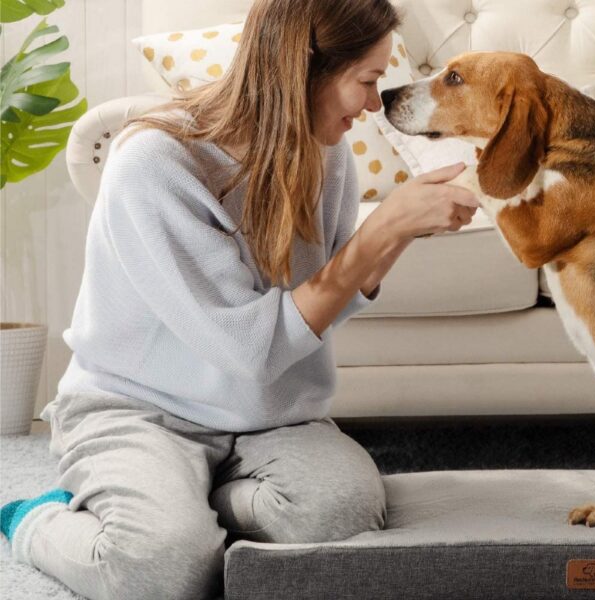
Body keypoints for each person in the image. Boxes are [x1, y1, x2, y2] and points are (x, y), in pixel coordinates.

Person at [0, 0, 478, 598]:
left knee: (341, 512)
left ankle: (184, 507)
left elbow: (322, 303)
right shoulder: (154, 163)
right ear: (305, 68)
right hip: (139, 408)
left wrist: (402, 231)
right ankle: (36, 519)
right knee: (162, 569)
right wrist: (381, 228)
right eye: (368, 80)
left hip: (267, 413)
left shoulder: (326, 152)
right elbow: (249, 347)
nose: (374, 104)